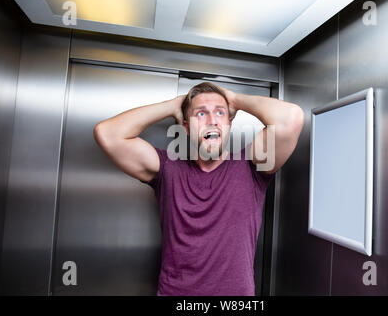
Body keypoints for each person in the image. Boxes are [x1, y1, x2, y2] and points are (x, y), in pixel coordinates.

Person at [93, 82, 304, 295]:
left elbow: (291, 118)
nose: (212, 121)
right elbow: (107, 133)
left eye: (220, 113)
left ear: (230, 123)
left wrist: (234, 99)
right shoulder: (167, 167)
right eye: (201, 114)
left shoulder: (253, 164)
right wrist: (172, 105)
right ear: (185, 126)